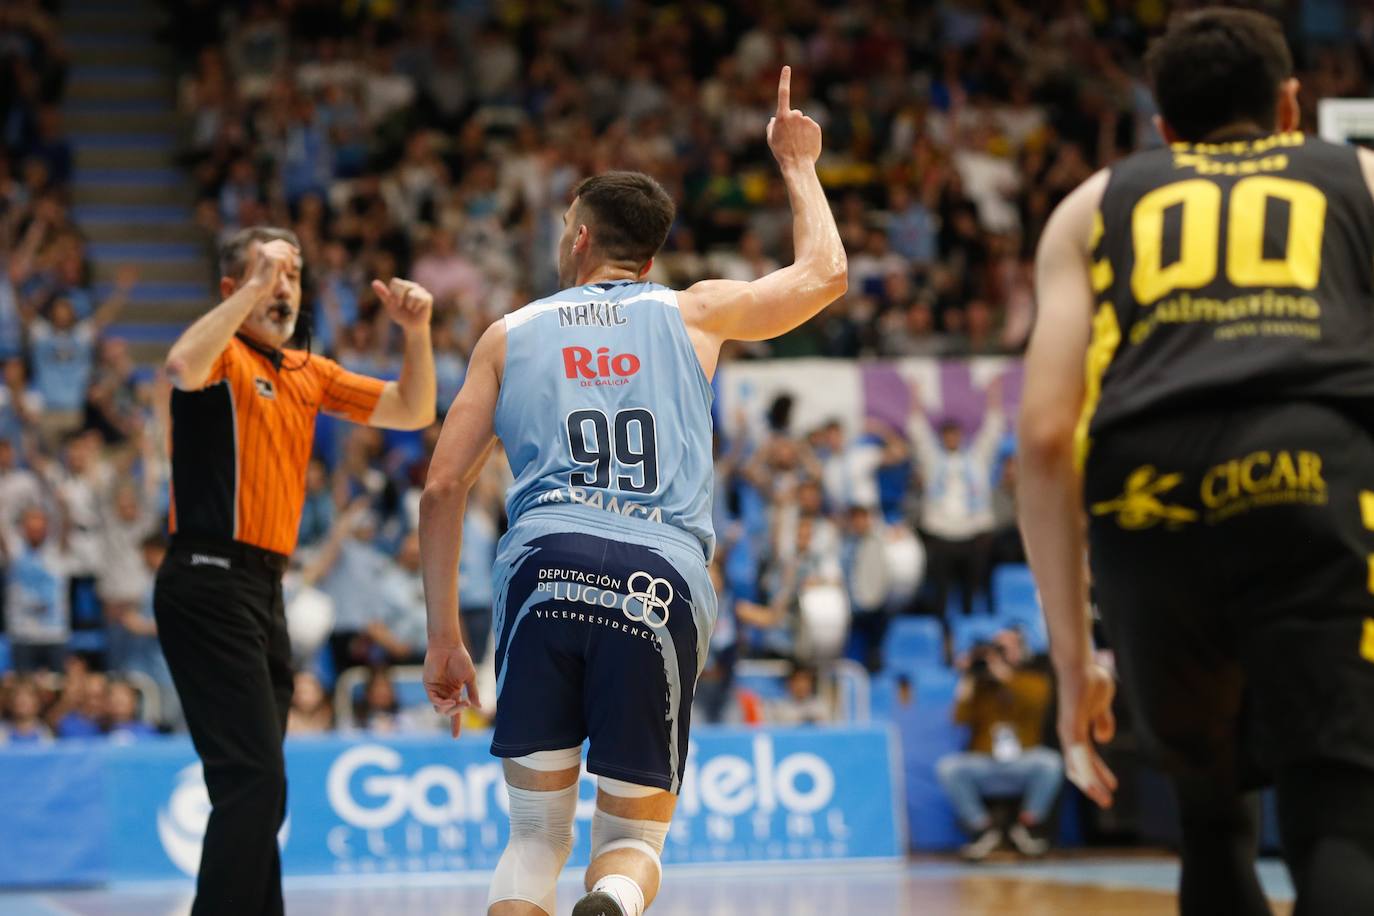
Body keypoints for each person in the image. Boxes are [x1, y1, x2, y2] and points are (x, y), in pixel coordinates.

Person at [419, 66, 846, 916]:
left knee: (535, 837)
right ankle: (611, 902)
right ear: (649, 253)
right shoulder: (696, 312)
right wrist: (798, 166)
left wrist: (443, 637)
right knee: (632, 842)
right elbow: (825, 275)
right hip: (659, 578)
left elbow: (440, 487)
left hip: (544, 569)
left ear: (579, 237)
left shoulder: (508, 335)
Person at [1019, 10, 1374, 914]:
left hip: (1148, 487)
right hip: (1313, 460)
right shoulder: (1360, 176)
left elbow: (1048, 438)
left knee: (1210, 817)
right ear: (1293, 105)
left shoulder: (1093, 204)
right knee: (1334, 814)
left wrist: (1072, 663)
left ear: (1163, 127)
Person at [153, 226, 437, 916]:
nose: (284, 287)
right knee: (253, 776)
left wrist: (417, 331)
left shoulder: (310, 373)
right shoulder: (219, 356)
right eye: (268, 272)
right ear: (233, 287)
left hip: (264, 591)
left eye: (293, 274)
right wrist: (250, 288)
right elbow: (178, 366)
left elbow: (414, 408)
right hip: (207, 579)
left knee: (258, 786)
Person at [936, 628, 1060, 861]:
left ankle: (1026, 827)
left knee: (1050, 763)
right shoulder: (981, 687)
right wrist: (968, 679)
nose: (998, 655)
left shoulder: (1032, 680)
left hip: (1023, 760)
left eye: (1005, 649)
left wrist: (1005, 676)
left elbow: (1037, 703)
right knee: (949, 768)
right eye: (996, 648)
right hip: (987, 763)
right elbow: (959, 719)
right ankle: (983, 829)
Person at [909, 376, 1005, 623]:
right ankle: (945, 641)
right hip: (941, 534)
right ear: (943, 437)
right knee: (941, 595)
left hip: (973, 533)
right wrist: (915, 397)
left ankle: (970, 637)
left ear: (961, 436)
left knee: (972, 595)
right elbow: (916, 430)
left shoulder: (976, 459)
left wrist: (994, 396)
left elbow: (993, 429)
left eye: (955, 434)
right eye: (947, 435)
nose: (952, 439)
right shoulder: (933, 461)